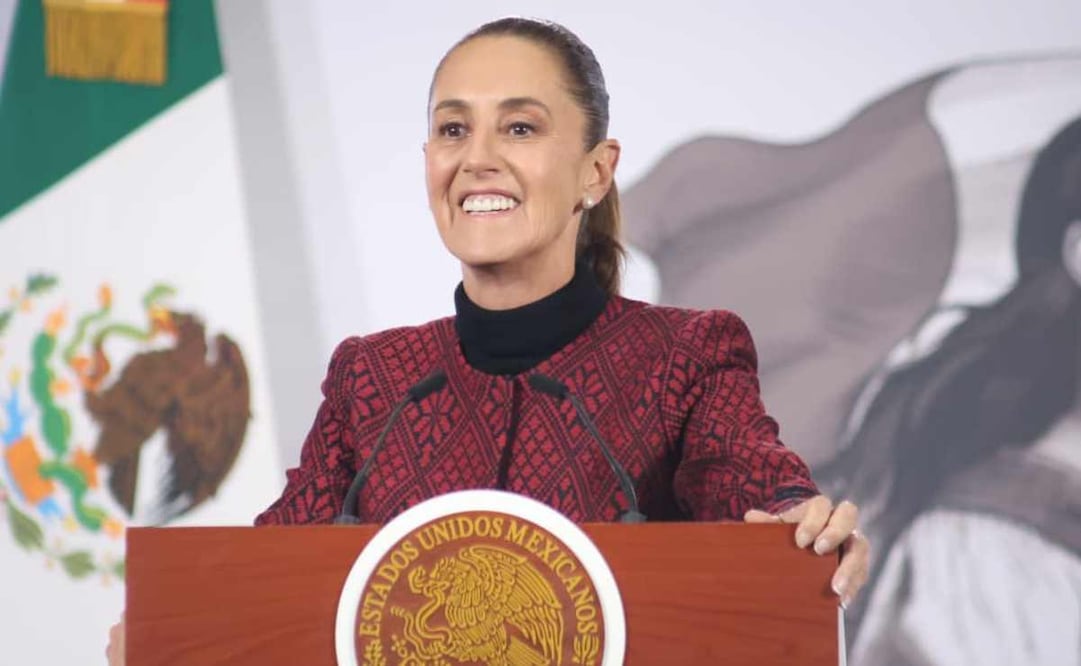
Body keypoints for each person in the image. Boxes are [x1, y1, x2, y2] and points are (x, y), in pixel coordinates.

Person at [107, 17, 869, 664]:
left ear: (595, 172)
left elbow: (753, 485)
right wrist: (174, 630)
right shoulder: (373, 377)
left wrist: (799, 525)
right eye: (452, 129)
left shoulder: (685, 357)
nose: (476, 158)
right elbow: (268, 573)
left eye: (519, 127)